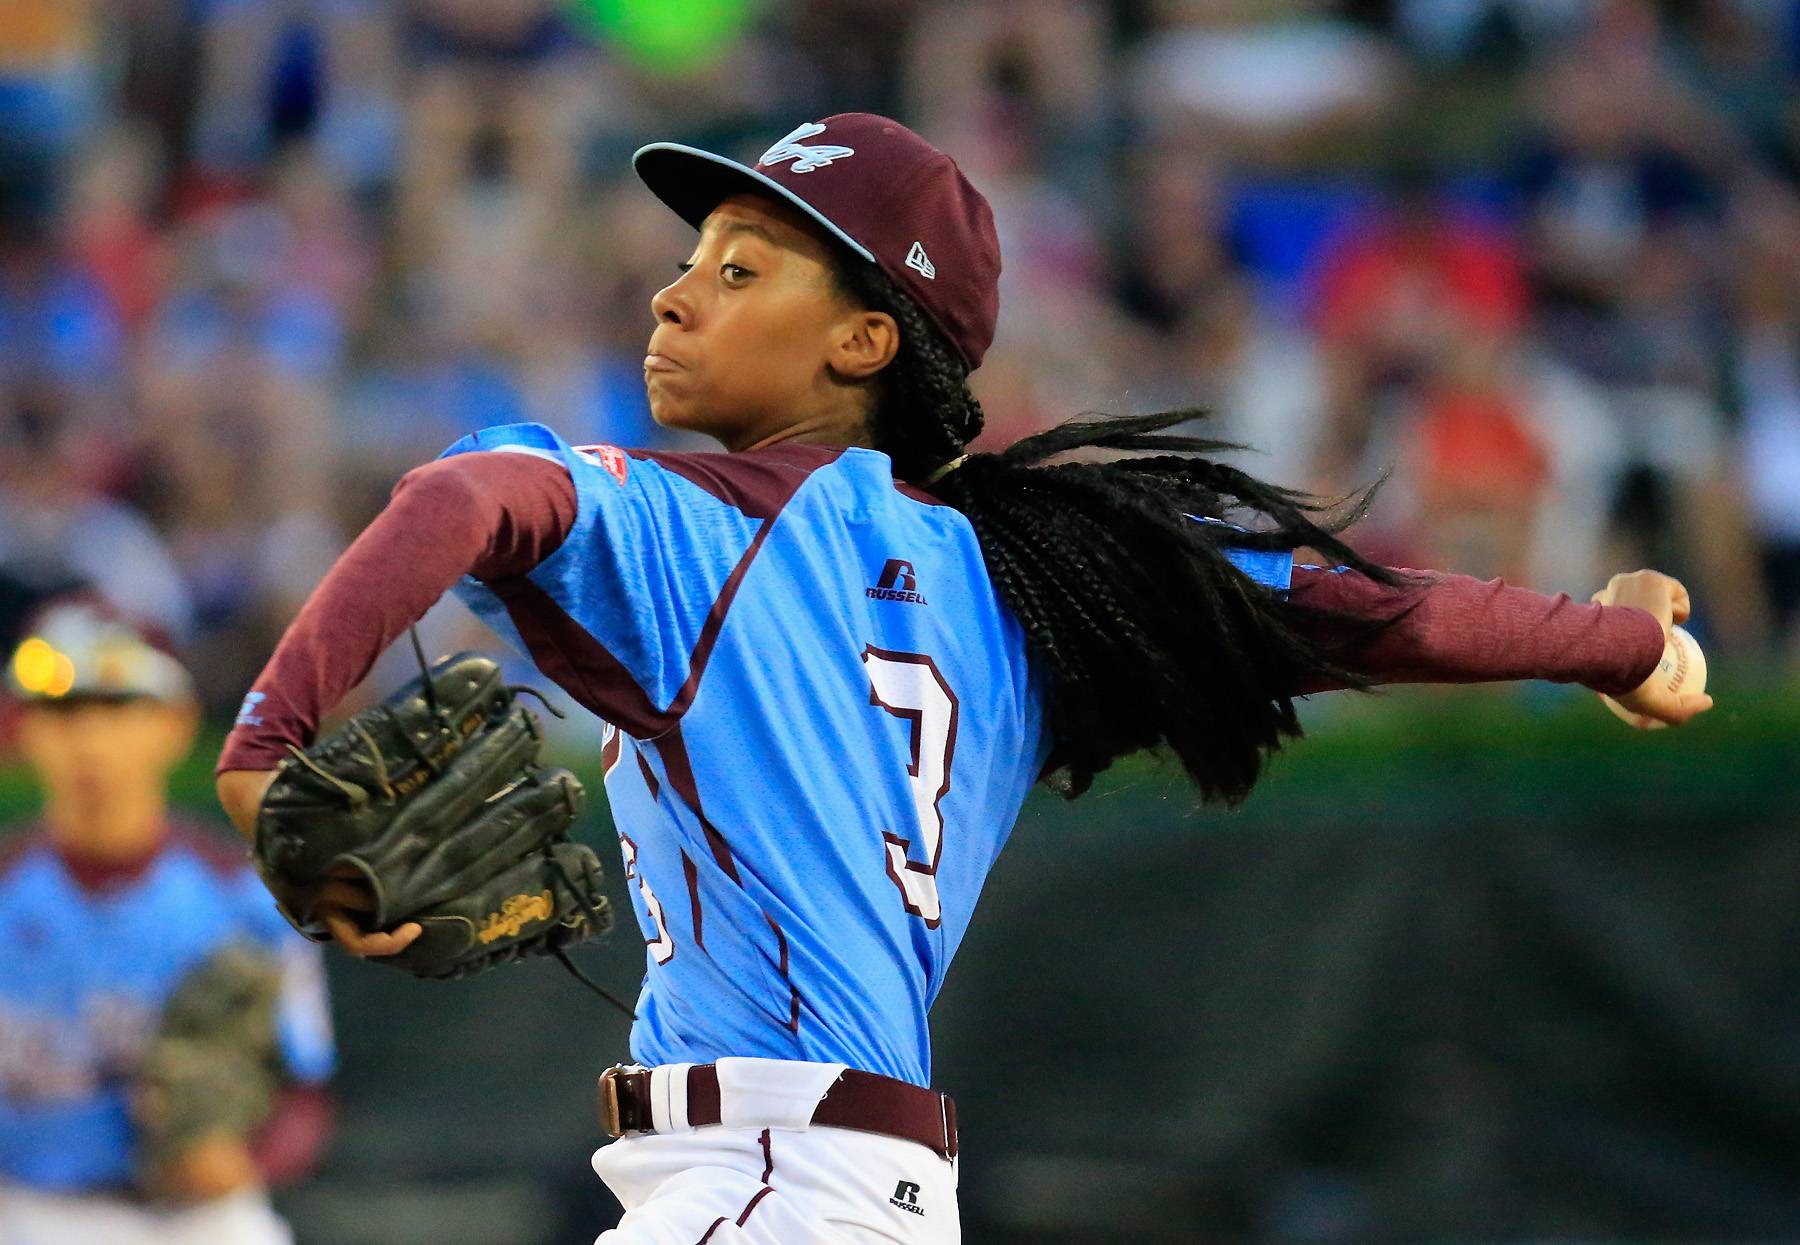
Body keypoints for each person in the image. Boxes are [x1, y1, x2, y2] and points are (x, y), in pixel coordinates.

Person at [215, 114, 1711, 1243]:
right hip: (841, 1180)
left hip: (767, 1180)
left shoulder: (700, 526)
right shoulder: (1024, 570)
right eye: (684, 266)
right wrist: (1624, 641)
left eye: (740, 272)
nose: (675, 298)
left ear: (866, 339)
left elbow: (462, 496)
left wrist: (269, 739)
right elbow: (1364, 608)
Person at [1, 599, 334, 1245]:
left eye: (118, 706)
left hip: (206, 1220)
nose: (90, 739)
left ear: (175, 722)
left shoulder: (246, 897)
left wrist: (247, 1161)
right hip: (29, 1207)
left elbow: (306, 1092)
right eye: (64, 711)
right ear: (25, 729)